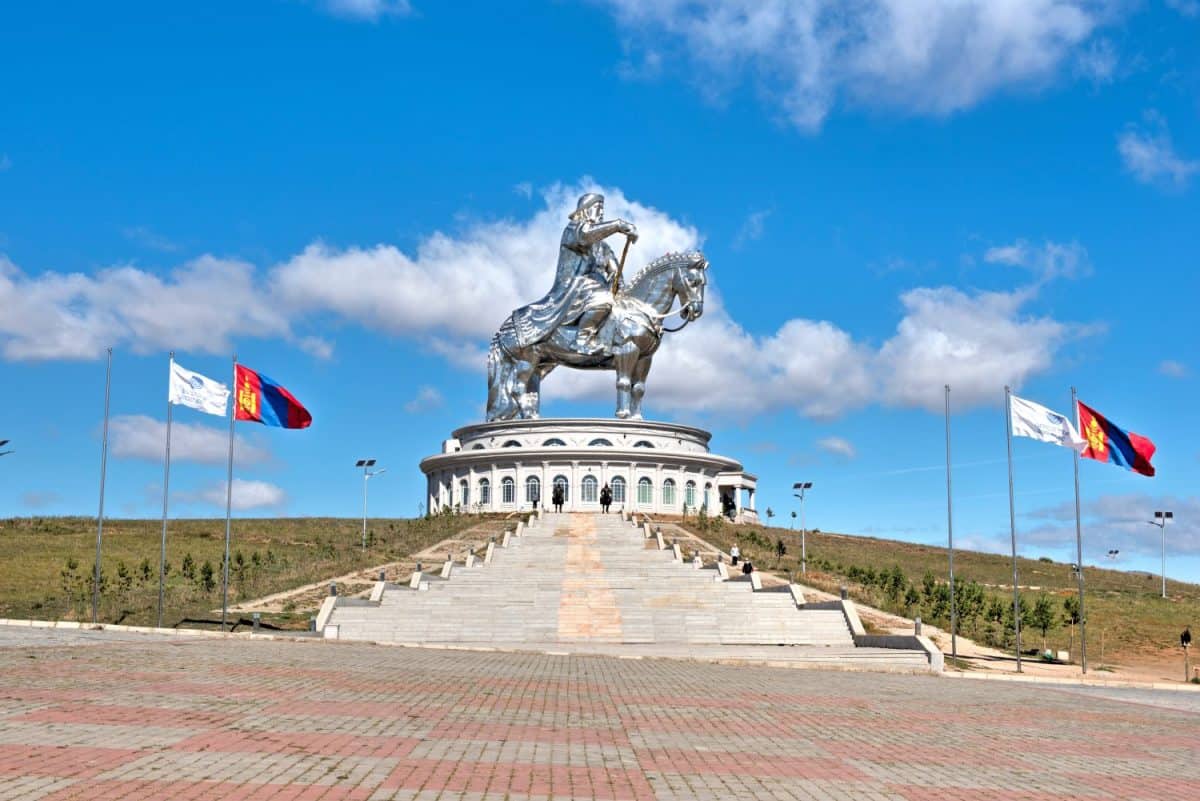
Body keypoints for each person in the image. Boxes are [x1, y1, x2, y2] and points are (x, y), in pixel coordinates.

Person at [510, 193, 638, 355]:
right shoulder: (573, 231)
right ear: (585, 210)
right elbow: (585, 235)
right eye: (597, 209)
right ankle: (582, 340)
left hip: (595, 288)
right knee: (603, 300)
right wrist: (618, 225)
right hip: (574, 288)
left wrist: (618, 281)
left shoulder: (603, 247)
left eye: (602, 210)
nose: (601, 214)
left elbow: (614, 269)